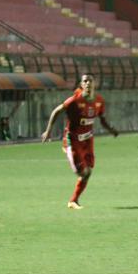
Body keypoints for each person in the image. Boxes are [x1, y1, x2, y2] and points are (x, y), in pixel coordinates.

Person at [40, 73, 119, 209]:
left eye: (90, 81)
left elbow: (102, 118)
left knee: (88, 171)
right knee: (82, 172)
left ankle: (73, 201)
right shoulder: (75, 100)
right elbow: (56, 111)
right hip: (73, 139)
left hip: (88, 139)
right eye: (85, 81)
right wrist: (48, 131)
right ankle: (73, 200)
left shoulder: (99, 101)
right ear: (81, 85)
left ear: (94, 83)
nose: (88, 83)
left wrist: (111, 129)